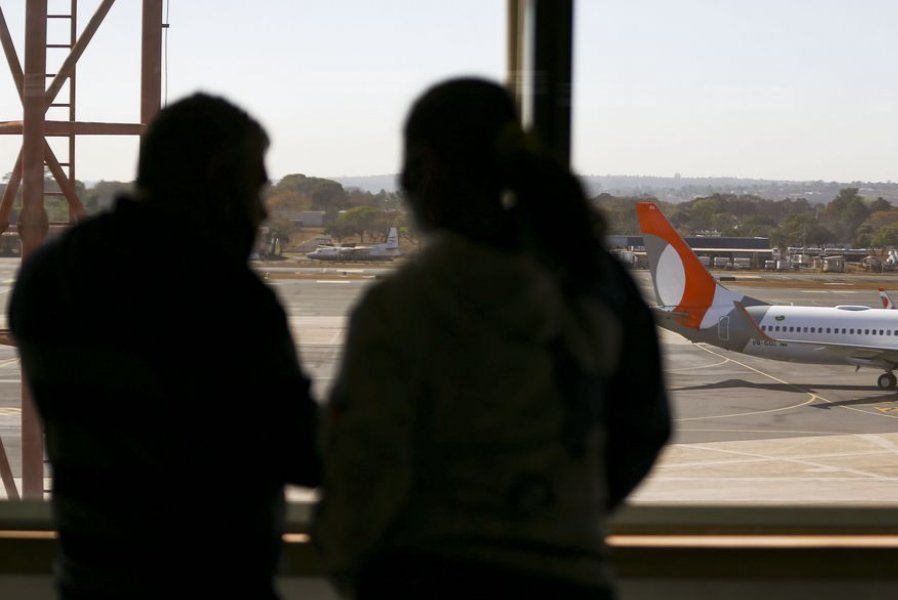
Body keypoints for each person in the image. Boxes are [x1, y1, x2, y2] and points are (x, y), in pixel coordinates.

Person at [313, 78, 672, 599]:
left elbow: (363, 471)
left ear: (422, 168)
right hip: (570, 575)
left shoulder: (403, 303)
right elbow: (644, 426)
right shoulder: (600, 285)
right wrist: (556, 514)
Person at [8, 94, 321, 600]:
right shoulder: (227, 297)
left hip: (89, 577)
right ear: (219, 178)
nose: (262, 211)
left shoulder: (46, 276)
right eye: (254, 187)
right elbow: (304, 455)